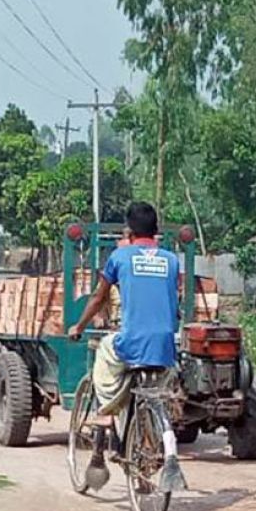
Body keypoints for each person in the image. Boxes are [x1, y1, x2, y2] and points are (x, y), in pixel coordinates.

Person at [67, 201, 186, 492]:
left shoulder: (120, 257)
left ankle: (105, 414)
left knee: (104, 353)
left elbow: (98, 299)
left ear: (129, 231)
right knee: (152, 395)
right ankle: (146, 456)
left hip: (131, 342)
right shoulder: (171, 261)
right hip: (165, 346)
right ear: (156, 231)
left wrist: (78, 326)